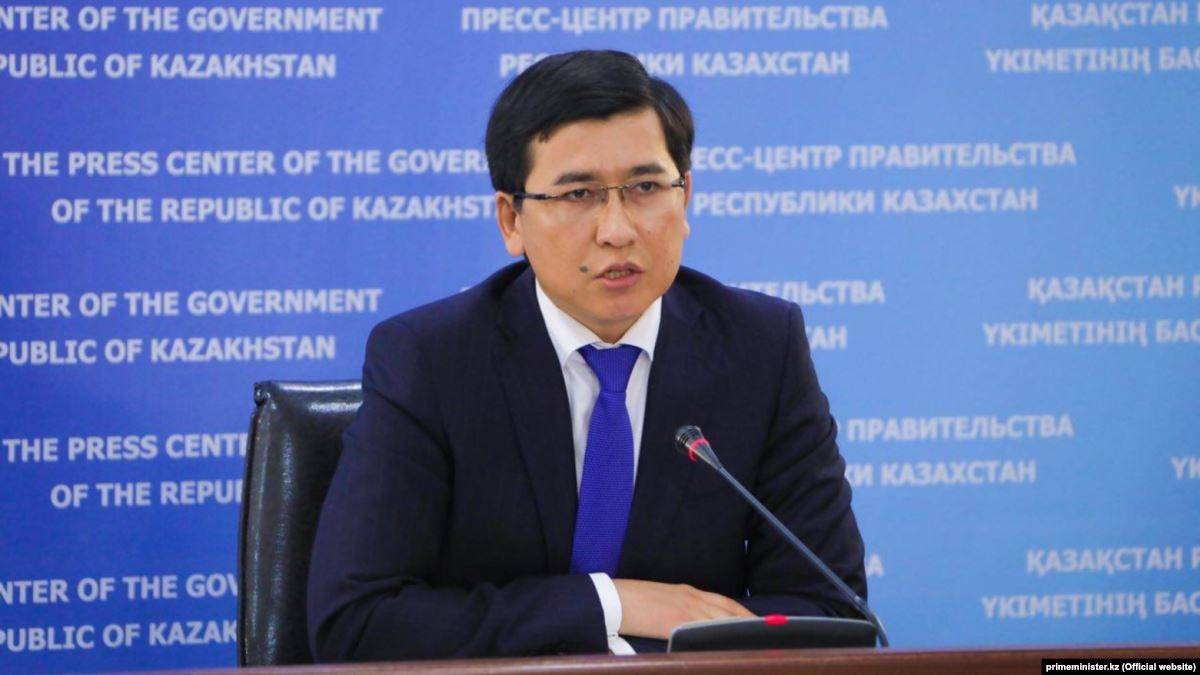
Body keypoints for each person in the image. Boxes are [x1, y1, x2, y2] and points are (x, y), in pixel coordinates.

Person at [307, 49, 866, 661]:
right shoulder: (432, 361)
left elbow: (828, 608)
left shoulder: (760, 348)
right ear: (511, 220)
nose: (617, 230)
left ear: (686, 198)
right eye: (578, 194)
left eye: (646, 188)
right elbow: (357, 622)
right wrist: (612, 604)